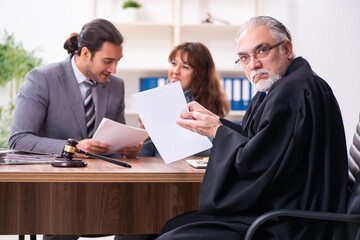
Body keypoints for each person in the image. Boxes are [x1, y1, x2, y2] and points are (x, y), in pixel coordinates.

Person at [155, 16, 348, 240]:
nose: (253, 64)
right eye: (244, 57)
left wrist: (217, 131)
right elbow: (255, 141)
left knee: (170, 236)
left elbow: (258, 164)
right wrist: (216, 122)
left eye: (262, 51)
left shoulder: (294, 92)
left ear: (286, 49)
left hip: (287, 222)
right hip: (278, 211)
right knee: (172, 224)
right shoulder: (277, 88)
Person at [8, 18, 144, 240]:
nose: (114, 69)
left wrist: (126, 148)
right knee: (65, 221)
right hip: (57, 187)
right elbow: (18, 139)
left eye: (117, 61)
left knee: (145, 217)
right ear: (86, 53)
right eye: (108, 61)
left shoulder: (116, 85)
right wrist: (71, 147)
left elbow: (115, 132)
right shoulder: (43, 79)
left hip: (105, 187)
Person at [139, 42, 230, 157]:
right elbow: (143, 157)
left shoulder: (208, 107)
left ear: (200, 74)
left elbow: (212, 157)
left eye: (185, 67)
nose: (175, 71)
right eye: (174, 63)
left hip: (194, 173)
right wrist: (145, 136)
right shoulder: (158, 102)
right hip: (160, 172)